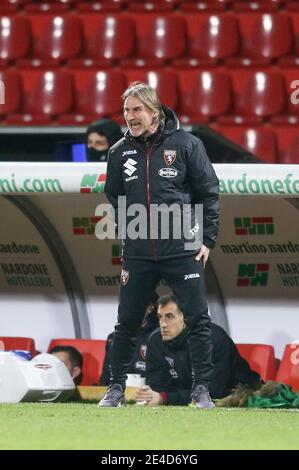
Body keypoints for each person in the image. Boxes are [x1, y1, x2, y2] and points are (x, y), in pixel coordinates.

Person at [99, 82, 220, 408]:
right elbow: (114, 196)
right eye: (126, 111)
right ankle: (115, 389)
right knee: (126, 323)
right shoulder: (118, 152)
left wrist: (206, 238)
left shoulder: (186, 144)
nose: (130, 116)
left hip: (182, 248)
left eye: (136, 109)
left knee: (198, 319)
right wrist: (128, 231)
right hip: (139, 251)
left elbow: (208, 192)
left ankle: (201, 390)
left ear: (154, 111)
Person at [135, 294, 262, 406]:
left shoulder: (212, 339)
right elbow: (157, 386)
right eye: (160, 317)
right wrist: (154, 395)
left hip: (241, 396)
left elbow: (213, 392)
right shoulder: (156, 340)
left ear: (186, 318)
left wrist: (166, 398)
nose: (163, 324)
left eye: (169, 317)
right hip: (189, 400)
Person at [99, 296, 159, 385]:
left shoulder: (159, 337)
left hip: (148, 393)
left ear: (150, 307)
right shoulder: (113, 338)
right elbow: (106, 377)